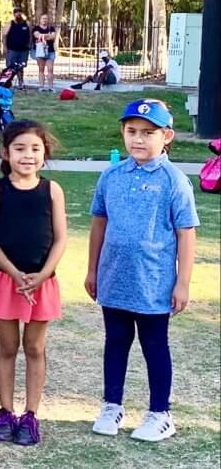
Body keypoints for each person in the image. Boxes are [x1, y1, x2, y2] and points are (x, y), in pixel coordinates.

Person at [86, 99, 199, 442]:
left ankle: (160, 414)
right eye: (131, 131)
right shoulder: (112, 175)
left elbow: (186, 233)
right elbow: (99, 223)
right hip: (114, 278)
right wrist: (92, 270)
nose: (138, 139)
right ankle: (111, 405)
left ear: (166, 136)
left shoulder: (173, 180)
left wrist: (183, 283)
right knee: (116, 342)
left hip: (153, 283)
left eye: (148, 133)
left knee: (154, 345)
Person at [0, 120, 67, 446]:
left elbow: (60, 239)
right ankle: (5, 412)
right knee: (7, 346)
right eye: (19, 148)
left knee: (34, 347)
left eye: (35, 149)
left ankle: (30, 415)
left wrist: (42, 275)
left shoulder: (52, 190)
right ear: (6, 153)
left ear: (44, 154)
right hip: (6, 280)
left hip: (42, 282)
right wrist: (14, 274)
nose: (27, 155)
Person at [4, 7, 31, 89]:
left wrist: (29, 44)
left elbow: (30, 35)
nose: (18, 14)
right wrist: (5, 47)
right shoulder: (10, 23)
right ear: (14, 14)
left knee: (20, 67)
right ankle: (8, 82)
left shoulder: (27, 23)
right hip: (12, 49)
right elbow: (4, 35)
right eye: (16, 12)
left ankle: (20, 82)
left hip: (23, 50)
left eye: (20, 12)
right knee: (10, 67)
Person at [32, 14, 57, 92]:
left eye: (46, 18)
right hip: (40, 51)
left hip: (50, 51)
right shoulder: (36, 28)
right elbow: (37, 35)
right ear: (40, 19)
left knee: (50, 69)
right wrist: (47, 35)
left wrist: (42, 36)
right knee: (41, 69)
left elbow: (53, 36)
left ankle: (50, 87)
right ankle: (41, 86)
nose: (44, 20)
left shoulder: (51, 28)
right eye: (43, 18)